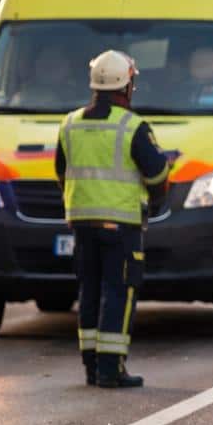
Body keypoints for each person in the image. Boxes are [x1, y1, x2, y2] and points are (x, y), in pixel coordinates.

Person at [55, 50, 170, 388]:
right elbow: (158, 173)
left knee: (88, 291)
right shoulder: (132, 127)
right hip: (121, 226)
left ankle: (91, 366)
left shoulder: (70, 124)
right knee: (120, 292)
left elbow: (61, 173)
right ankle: (111, 368)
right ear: (127, 85)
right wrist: (157, 199)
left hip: (82, 223)